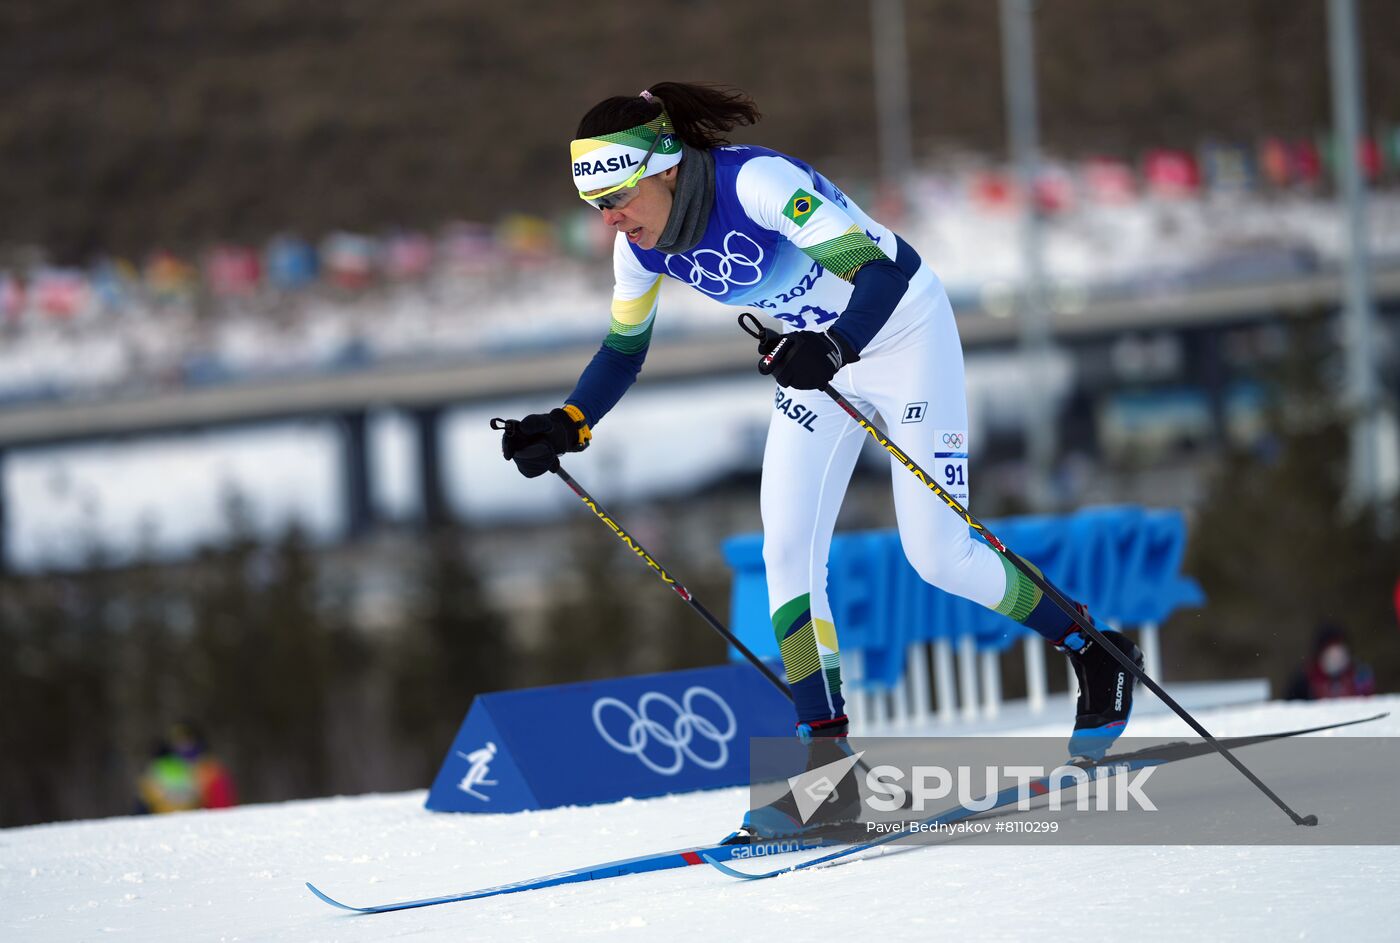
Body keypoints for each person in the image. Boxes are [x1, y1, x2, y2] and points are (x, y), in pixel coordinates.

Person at [499, 82, 1141, 840]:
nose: (608, 216)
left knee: (938, 554)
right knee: (786, 551)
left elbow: (881, 274)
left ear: (665, 163)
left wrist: (836, 344)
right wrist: (569, 421)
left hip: (901, 340)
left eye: (616, 192)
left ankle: (1094, 649)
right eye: (593, 202)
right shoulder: (638, 247)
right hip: (819, 366)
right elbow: (621, 352)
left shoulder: (758, 185)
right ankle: (829, 768)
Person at [135, 721, 238, 814]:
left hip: (198, 816)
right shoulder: (164, 765)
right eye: (178, 739)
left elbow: (220, 799)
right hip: (164, 816)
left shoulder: (208, 766)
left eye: (187, 739)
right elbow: (146, 795)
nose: (183, 744)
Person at [1284, 623, 1375, 701]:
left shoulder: (1360, 675)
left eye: (1340, 653)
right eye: (1330, 654)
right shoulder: (1303, 679)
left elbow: (1369, 702)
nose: (1336, 659)